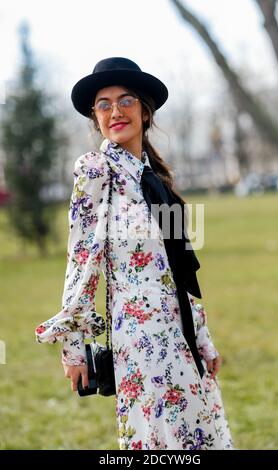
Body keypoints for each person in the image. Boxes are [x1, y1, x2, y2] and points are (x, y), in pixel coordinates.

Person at [35, 57, 234, 450]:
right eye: (103, 105)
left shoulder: (158, 181)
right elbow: (80, 263)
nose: (115, 111)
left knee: (197, 435)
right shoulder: (94, 172)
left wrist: (204, 339)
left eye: (125, 100)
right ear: (96, 118)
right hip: (139, 340)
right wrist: (74, 348)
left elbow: (182, 272)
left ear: (145, 110)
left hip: (181, 333)